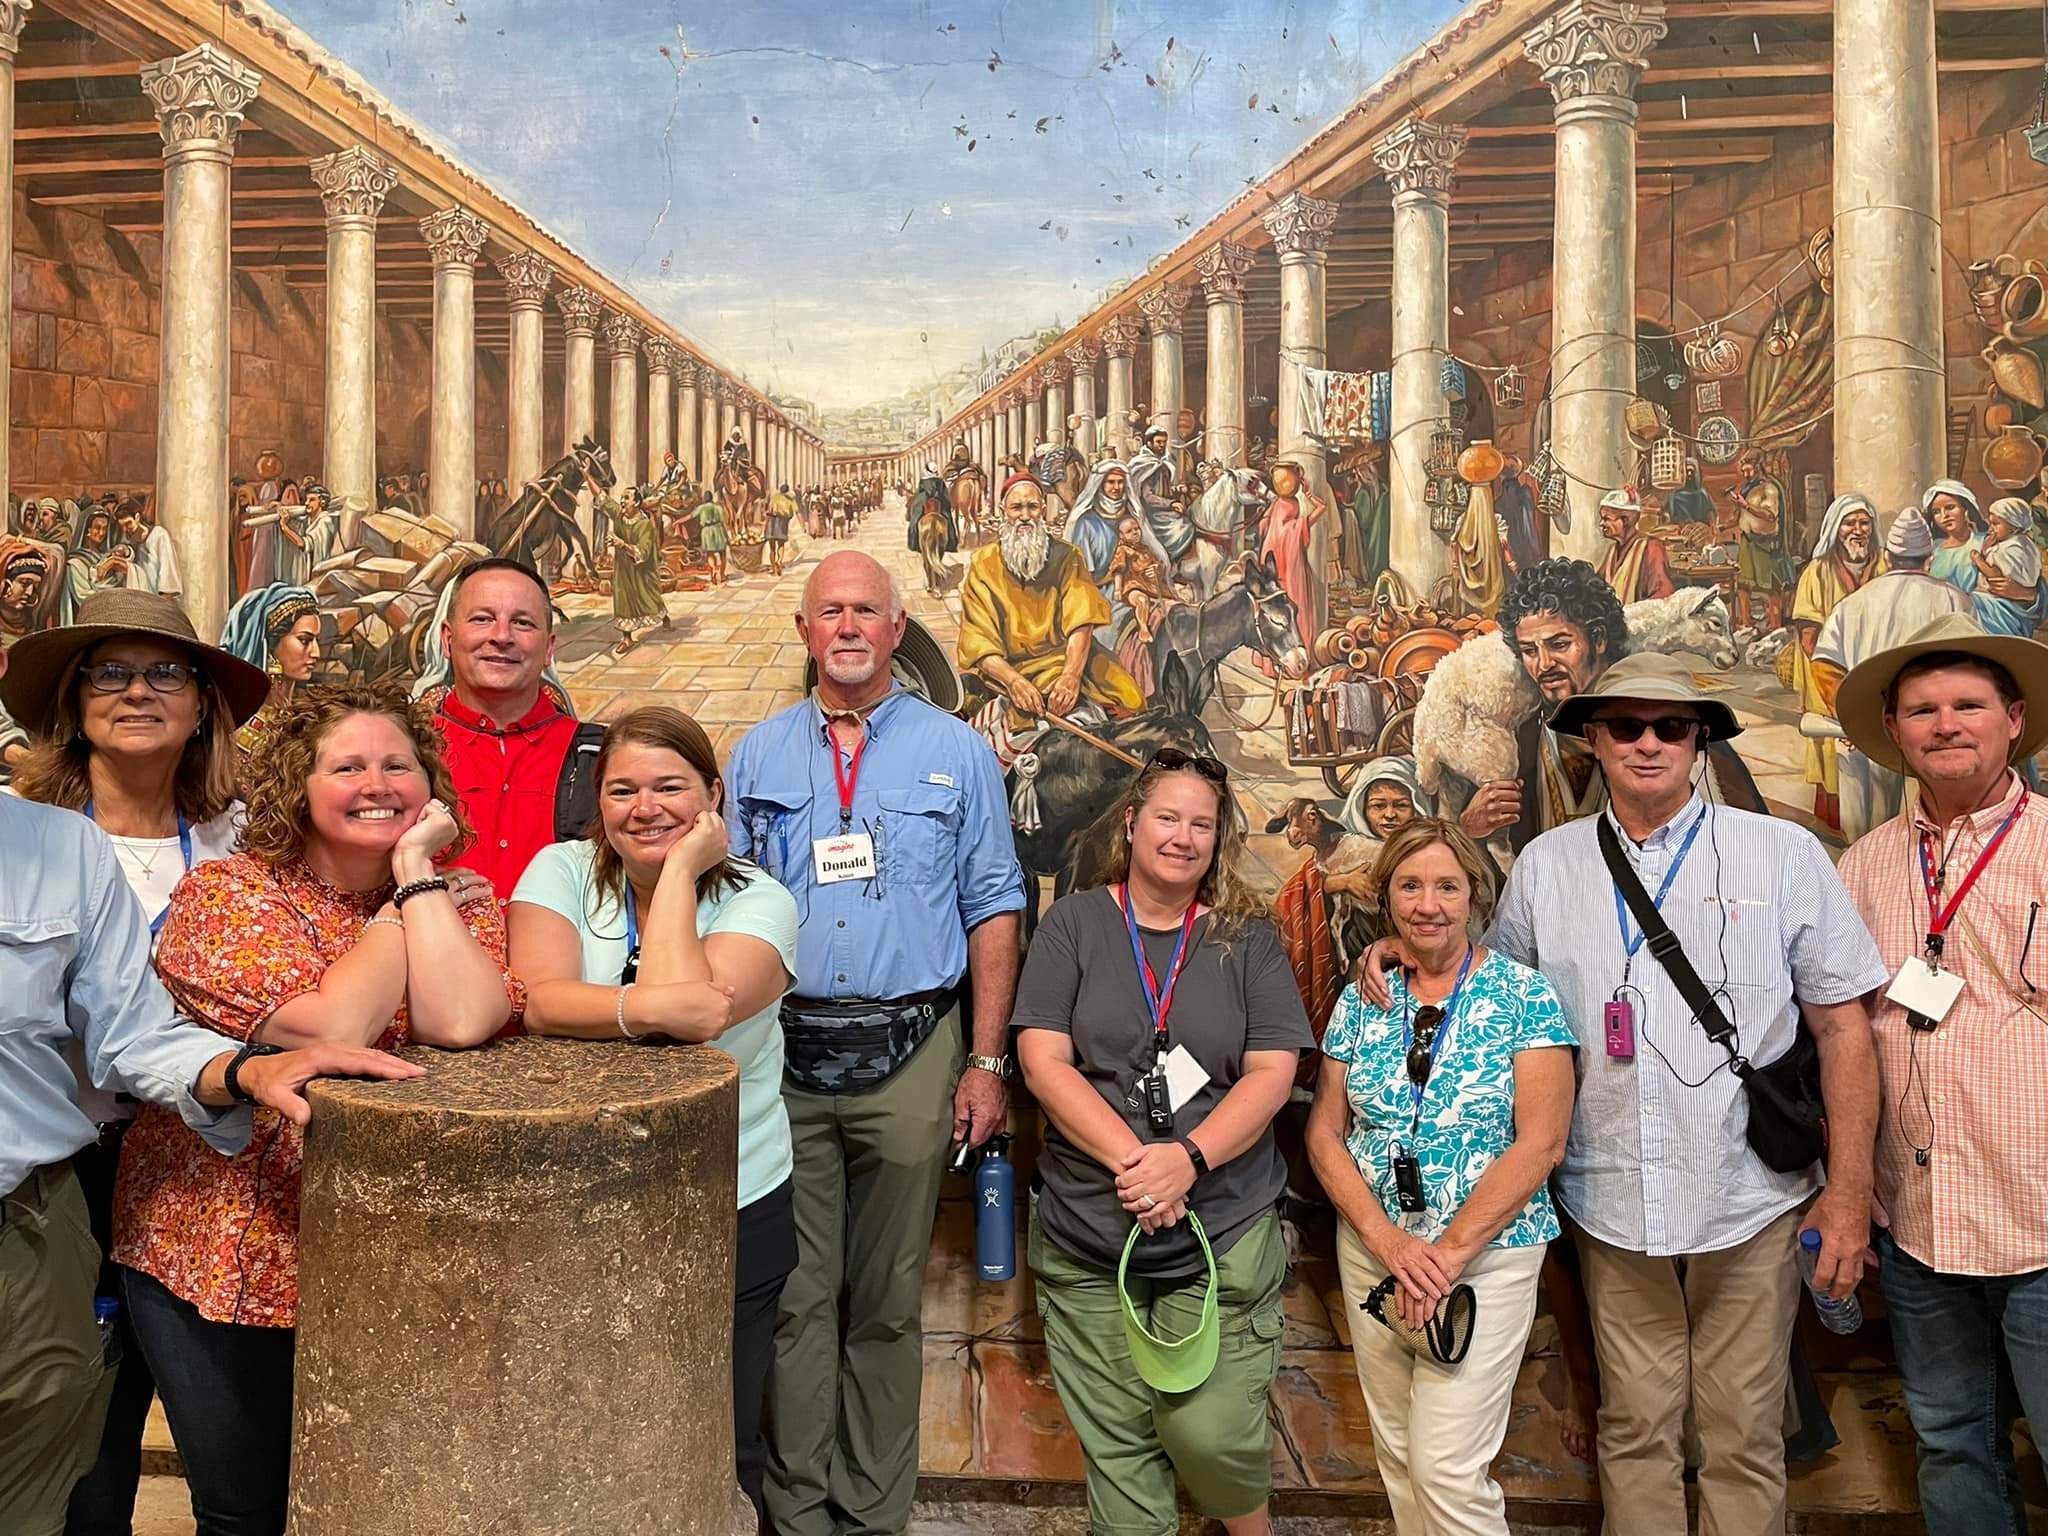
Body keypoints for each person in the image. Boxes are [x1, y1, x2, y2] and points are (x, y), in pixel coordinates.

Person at [1381, 652, 1887, 1536]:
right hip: (1609, 1195)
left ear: (1698, 742)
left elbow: (1846, 1030)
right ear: (1594, 740)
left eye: (1671, 727)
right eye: (1626, 726)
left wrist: (1847, 1194)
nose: (1649, 743)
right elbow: (1491, 998)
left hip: (1750, 1196)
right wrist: (1401, 955)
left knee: (1743, 1437)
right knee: (1635, 1431)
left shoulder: (1784, 854)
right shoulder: (1548, 866)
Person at [108, 683, 519, 1535]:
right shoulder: (227, 897)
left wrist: (411, 880)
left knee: (377, 1504)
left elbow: (461, 1021)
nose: (378, 783)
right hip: (223, 1254)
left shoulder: (453, 899)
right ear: (299, 784)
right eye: (349, 766)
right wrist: (417, 905)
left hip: (393, 1259)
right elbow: (336, 1026)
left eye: (397, 764)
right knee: (244, 1506)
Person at [0, 749, 414, 1536]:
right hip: (182, 1215)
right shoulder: (229, 894)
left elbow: (130, 1031)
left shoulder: (59, 848)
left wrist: (246, 1070)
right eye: (345, 764)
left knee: (38, 1499)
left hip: (27, 1228)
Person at [726, 551, 1024, 1536]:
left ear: (898, 631)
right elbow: (723, 900)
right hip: (784, 1057)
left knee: (889, 1297)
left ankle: (870, 1513)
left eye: (867, 611)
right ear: (805, 631)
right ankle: (798, 1512)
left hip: (915, 1049)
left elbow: (992, 905)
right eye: (829, 611)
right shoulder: (757, 756)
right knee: (799, 1298)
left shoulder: (958, 753)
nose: (848, 626)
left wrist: (984, 1062)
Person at [4, 591, 268, 1536]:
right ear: (73, 702)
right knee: (77, 1443)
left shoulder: (251, 841)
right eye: (109, 672)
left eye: (166, 673)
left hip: (205, 1163)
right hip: (66, 1160)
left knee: (226, 1437)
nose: (137, 692)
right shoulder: (31, 835)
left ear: (204, 702)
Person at [510, 706, 799, 1519]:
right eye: (623, 790)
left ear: (712, 795)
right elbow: (537, 1002)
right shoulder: (559, 872)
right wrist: (650, 1005)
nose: (646, 808)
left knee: (719, 1443)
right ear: (596, 802)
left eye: (671, 787)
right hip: (577, 1202)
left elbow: (700, 1020)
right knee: (584, 1437)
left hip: (729, 1201)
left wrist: (676, 878)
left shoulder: (762, 899)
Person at [1015, 748, 1311, 1536]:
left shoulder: (1247, 938)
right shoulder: (1073, 925)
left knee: (1206, 1434)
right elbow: (1044, 1061)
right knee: (1119, 1456)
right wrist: (1140, 1167)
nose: (1183, 837)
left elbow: (1274, 1070)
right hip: (1089, 1231)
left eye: (1202, 825)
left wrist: (1188, 1160)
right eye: (1168, 817)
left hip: (1223, 1224)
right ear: (1133, 824)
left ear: (1219, 841)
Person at [1830, 613, 2048, 1536]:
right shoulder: (1863, 865)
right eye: (1923, 710)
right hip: (1919, 1222)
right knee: (1952, 1441)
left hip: (2041, 1215)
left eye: (1968, 705)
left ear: (2014, 719)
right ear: (1896, 728)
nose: (1946, 724)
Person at [1306, 818, 1575, 1535]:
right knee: (1397, 1455)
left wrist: (1445, 1257)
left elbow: (1542, 1143)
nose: (1429, 904)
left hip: (1486, 1256)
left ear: (1475, 896)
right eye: (1411, 885)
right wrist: (1390, 1244)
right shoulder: (1363, 996)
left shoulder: (1525, 996)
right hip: (1375, 1253)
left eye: (1447, 886)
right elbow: (1325, 1132)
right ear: (1387, 897)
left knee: (1447, 1467)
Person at [1459, 559, 1767, 856]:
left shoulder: (1673, 733)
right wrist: (1471, 830)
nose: (1543, 664)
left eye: (1559, 644)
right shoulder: (1519, 741)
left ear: (1599, 639)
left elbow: (1747, 850)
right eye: (1529, 650)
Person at [1811, 506, 1972, 842]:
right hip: (1928, 734)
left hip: (1856, 738)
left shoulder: (1852, 604)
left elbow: (1825, 667)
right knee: (1921, 835)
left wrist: (1857, 720)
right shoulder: (1955, 601)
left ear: (1887, 557)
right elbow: (1969, 671)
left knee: (1859, 840)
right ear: (1929, 557)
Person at [957, 473, 1146, 733]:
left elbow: (1081, 623)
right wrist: (1013, 682)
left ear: (1043, 510)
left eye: (1032, 507)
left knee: (1132, 699)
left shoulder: (1069, 556)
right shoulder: (983, 563)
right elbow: (979, 643)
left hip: (1071, 656)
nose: (1025, 515)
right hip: (1012, 666)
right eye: (1016, 507)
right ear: (1004, 511)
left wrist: (1071, 676)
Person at [1789, 494, 1883, 829]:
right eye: (1850, 523)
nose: (1858, 531)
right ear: (1836, 528)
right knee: (1832, 751)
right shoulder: (1817, 572)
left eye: (1864, 522)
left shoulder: (1885, 567)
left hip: (1876, 671)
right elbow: (1809, 634)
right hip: (1827, 672)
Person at [218, 583, 321, 765]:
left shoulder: (308, 713)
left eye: (316, 640)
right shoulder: (243, 730)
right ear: (271, 647)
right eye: (305, 640)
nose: (316, 653)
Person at [1260, 461, 1325, 637]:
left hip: (1274, 580)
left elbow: (1264, 520)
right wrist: (1308, 493)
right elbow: (1322, 507)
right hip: (1291, 582)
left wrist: (1274, 503)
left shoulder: (1268, 525)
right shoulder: (1296, 527)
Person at [1731, 452, 1794, 632]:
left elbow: (1770, 516)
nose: (1746, 475)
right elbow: (1740, 516)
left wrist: (1747, 506)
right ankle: (1746, 623)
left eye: (1749, 470)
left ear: (1758, 468)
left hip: (1765, 543)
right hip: (1748, 541)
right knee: (1743, 584)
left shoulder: (1769, 489)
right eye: (1744, 471)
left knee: (1772, 587)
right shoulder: (1746, 489)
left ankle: (1775, 627)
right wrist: (1722, 526)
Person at [1967, 496, 2043, 637]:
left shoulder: (2010, 548)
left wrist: (1979, 560)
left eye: (1996, 524)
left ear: (2013, 526)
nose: (1991, 528)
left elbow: (1996, 578)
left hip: (2002, 605)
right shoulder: (2025, 544)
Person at [605, 487, 668, 654]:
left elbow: (644, 552)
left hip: (642, 572)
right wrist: (587, 474)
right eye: (622, 497)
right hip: (623, 570)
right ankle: (627, 638)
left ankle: (664, 616)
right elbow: (602, 498)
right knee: (623, 598)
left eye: (626, 498)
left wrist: (622, 544)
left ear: (637, 502)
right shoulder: (619, 515)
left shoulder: (645, 525)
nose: (622, 501)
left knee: (650, 597)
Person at [1594, 488, 1675, 603]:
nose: (1601, 524)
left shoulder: (1651, 547)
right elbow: (1597, 584)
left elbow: (1663, 593)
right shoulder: (1612, 551)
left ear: (1626, 521)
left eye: (1607, 519)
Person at [695, 488, 729, 586]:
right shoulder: (718, 507)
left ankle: (714, 569)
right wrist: (727, 536)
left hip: (706, 532)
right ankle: (722, 575)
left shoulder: (701, 508)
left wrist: (678, 521)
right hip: (718, 530)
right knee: (722, 554)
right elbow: (723, 523)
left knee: (710, 554)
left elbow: (690, 516)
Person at [765, 482, 797, 576]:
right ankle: (779, 561)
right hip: (783, 522)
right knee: (781, 544)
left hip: (772, 521)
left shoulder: (774, 498)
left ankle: (774, 570)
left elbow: (768, 511)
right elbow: (794, 512)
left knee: (772, 548)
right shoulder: (790, 500)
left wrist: (765, 525)